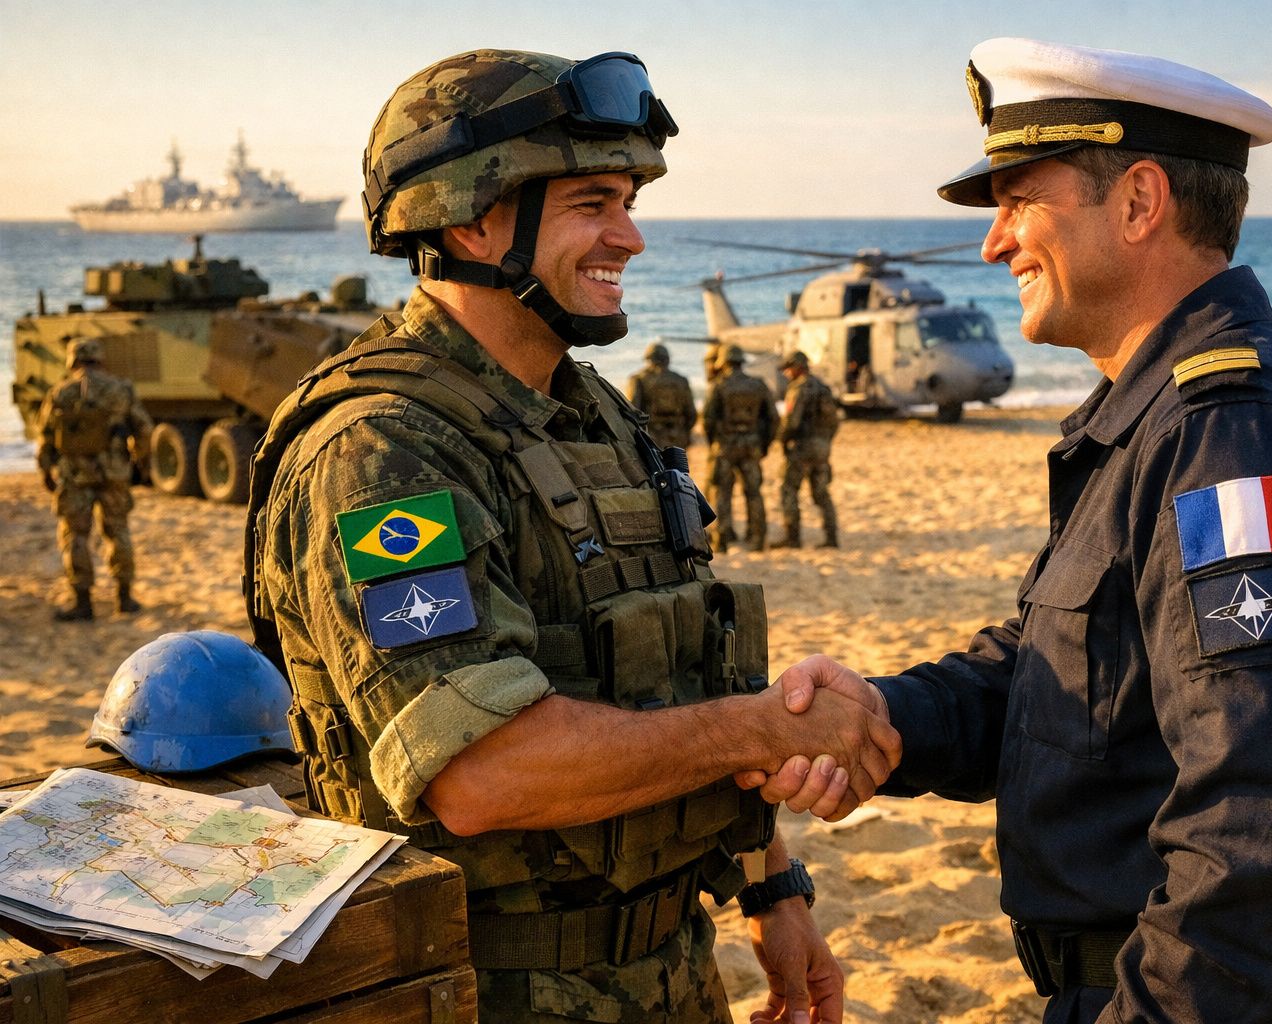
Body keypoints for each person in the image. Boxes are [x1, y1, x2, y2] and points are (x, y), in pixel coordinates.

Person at [757, 37, 1272, 1024]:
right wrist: (891, 717)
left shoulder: (1232, 436)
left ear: (1137, 203)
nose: (995, 243)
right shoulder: (1161, 418)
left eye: (1017, 202)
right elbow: (1085, 681)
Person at [244, 49, 899, 1024]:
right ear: (474, 215)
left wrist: (772, 887)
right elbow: (480, 770)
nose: (630, 236)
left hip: (666, 971)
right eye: (595, 202)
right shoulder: (385, 450)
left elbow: (680, 669)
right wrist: (770, 724)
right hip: (478, 991)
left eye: (629, 201)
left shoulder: (598, 416)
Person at [36, 336, 153, 620]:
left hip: (73, 476)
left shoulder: (60, 392)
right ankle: (124, 598)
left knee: (75, 536)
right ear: (99, 359)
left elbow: (46, 437)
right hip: (114, 473)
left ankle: (83, 601)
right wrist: (139, 460)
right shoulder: (120, 389)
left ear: (72, 360)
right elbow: (145, 428)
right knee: (118, 532)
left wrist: (45, 472)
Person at [703, 344, 778, 553]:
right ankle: (757, 538)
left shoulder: (719, 385)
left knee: (722, 493)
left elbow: (708, 419)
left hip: (725, 446)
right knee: (754, 492)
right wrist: (764, 444)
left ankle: (722, 539)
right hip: (751, 445)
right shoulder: (758, 385)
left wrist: (713, 444)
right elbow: (772, 418)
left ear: (724, 362)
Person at [772, 351, 839, 549]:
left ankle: (792, 537)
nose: (785, 373)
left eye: (787, 369)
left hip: (803, 447)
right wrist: (825, 441)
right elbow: (834, 421)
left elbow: (791, 421)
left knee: (789, 489)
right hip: (822, 447)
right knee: (821, 492)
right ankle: (831, 537)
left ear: (797, 366)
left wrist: (781, 440)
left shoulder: (799, 388)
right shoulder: (823, 387)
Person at [627, 341, 697, 450]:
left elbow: (633, 411)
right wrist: (684, 432)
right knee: (677, 466)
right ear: (667, 359)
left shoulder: (639, 379)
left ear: (649, 359)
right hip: (676, 436)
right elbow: (691, 413)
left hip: (649, 438)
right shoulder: (681, 380)